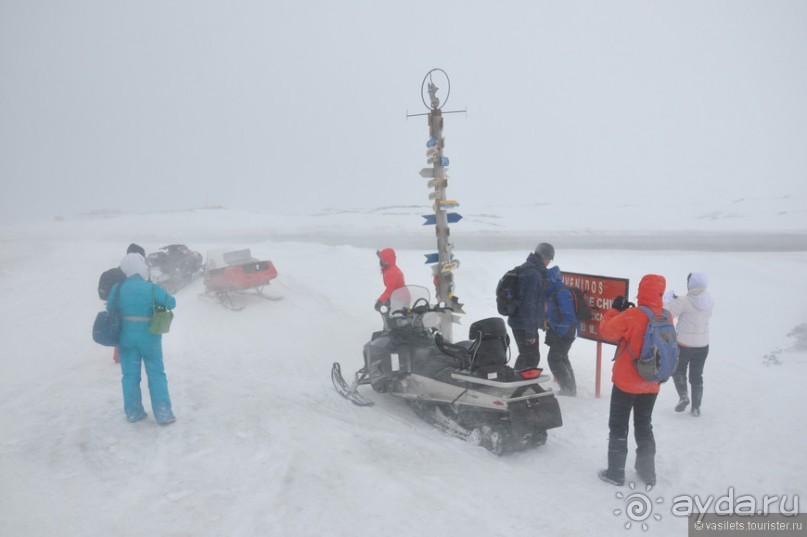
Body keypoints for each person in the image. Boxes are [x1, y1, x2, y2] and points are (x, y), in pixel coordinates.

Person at [598, 274, 668, 487]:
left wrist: (614, 311)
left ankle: (616, 473)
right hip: (652, 383)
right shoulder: (666, 316)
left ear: (641, 291)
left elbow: (607, 331)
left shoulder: (633, 315)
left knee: (619, 426)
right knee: (644, 425)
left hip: (626, 383)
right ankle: (648, 472)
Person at [107, 252, 176, 425]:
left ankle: (133, 412)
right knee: (156, 374)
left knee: (129, 376)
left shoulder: (118, 288)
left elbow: (109, 307)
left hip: (126, 339)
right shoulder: (150, 288)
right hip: (150, 338)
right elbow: (171, 302)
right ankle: (163, 414)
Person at [664, 272, 714, 417]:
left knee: (678, 371)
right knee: (697, 375)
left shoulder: (683, 301)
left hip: (683, 344)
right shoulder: (710, 301)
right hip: (703, 345)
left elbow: (668, 313)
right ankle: (696, 407)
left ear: (691, 284)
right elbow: (695, 303)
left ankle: (683, 396)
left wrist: (668, 300)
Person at [507, 242, 554, 370]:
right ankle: (518, 385)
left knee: (527, 356)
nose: (549, 263)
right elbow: (528, 305)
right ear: (544, 258)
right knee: (531, 358)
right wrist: (530, 333)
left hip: (519, 321)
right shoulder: (533, 275)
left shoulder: (527, 268)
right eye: (549, 259)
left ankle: (519, 384)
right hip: (523, 324)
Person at [98, 243, 147, 363]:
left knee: (120, 329)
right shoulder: (134, 276)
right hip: (129, 310)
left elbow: (103, 294)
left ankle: (120, 355)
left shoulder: (111, 273)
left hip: (114, 308)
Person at [544, 266, 577, 396]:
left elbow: (568, 316)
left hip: (565, 331)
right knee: (562, 357)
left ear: (551, 279)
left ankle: (568, 389)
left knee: (554, 359)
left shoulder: (561, 292)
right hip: (562, 330)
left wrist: (559, 332)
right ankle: (570, 388)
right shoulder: (553, 291)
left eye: (545, 280)